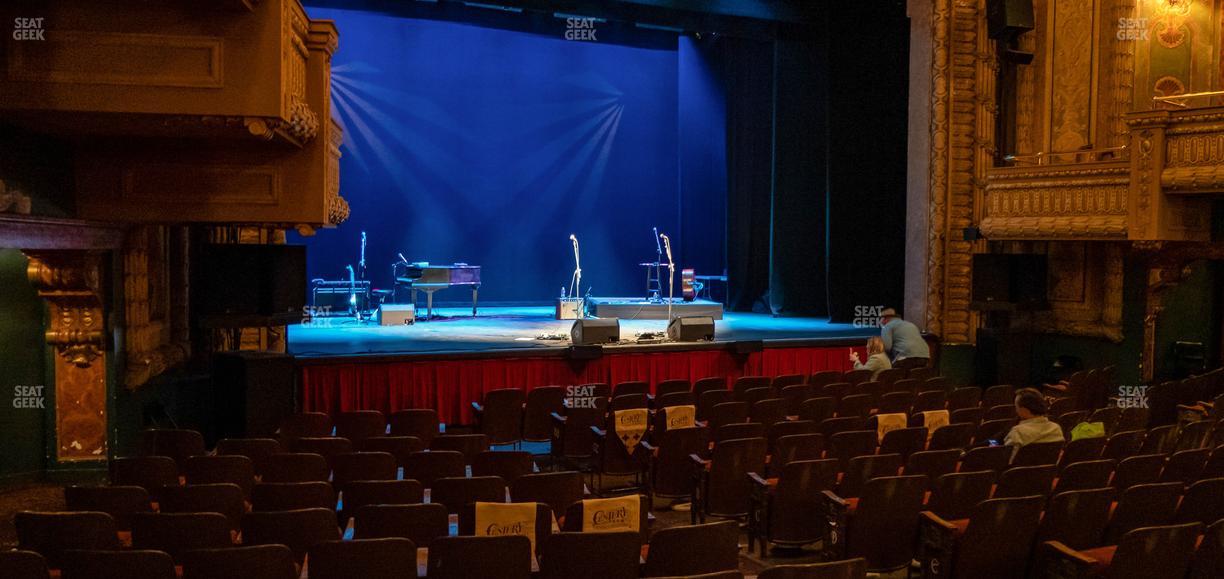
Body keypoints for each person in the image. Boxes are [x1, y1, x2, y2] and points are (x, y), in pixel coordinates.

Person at [1002, 388, 1064, 453]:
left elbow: (1007, 460)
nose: (1016, 411)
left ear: (1024, 410)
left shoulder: (1017, 432)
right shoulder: (1056, 428)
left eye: (1016, 407)